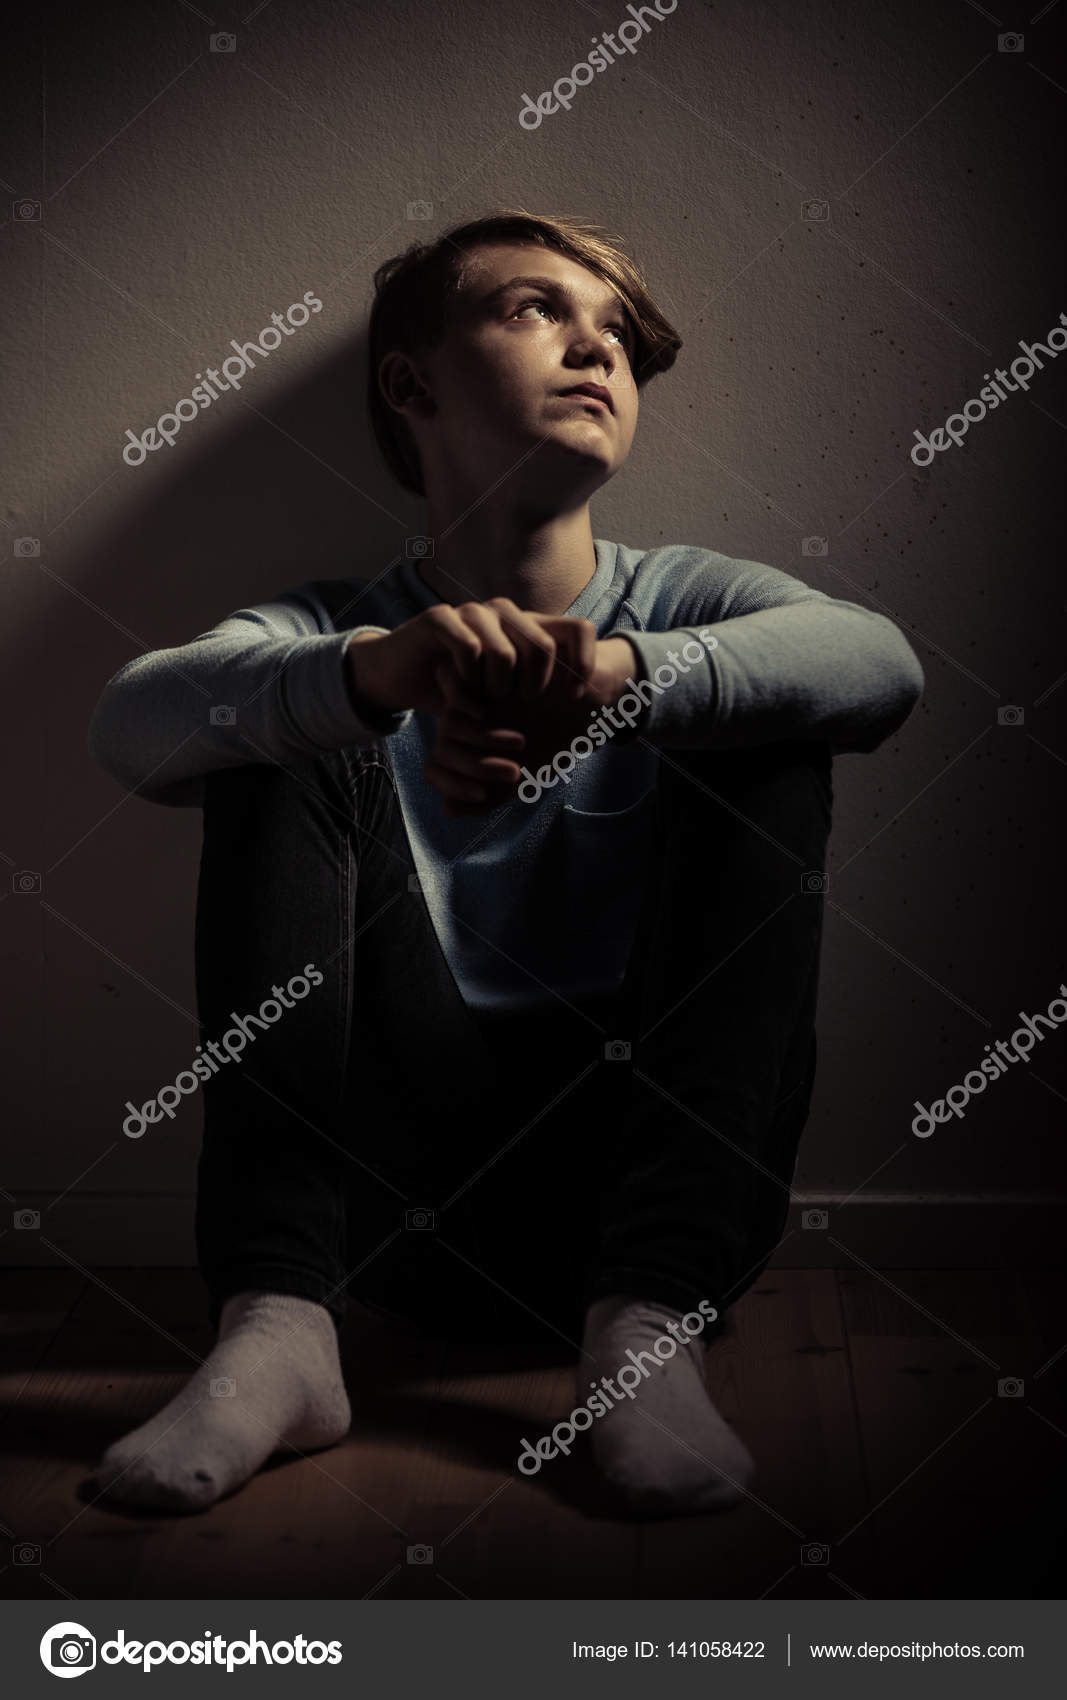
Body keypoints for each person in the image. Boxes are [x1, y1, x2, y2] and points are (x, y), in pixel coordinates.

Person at [85, 209, 924, 1520]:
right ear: (413, 385)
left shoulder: (690, 597)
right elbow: (129, 724)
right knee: (275, 714)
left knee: (765, 715)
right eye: (537, 308)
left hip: (662, 1201)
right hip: (393, 1215)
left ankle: (648, 1331)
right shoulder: (330, 623)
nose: (596, 344)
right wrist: (381, 675)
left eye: (620, 336)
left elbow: (883, 670)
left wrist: (616, 678)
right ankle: (277, 1329)